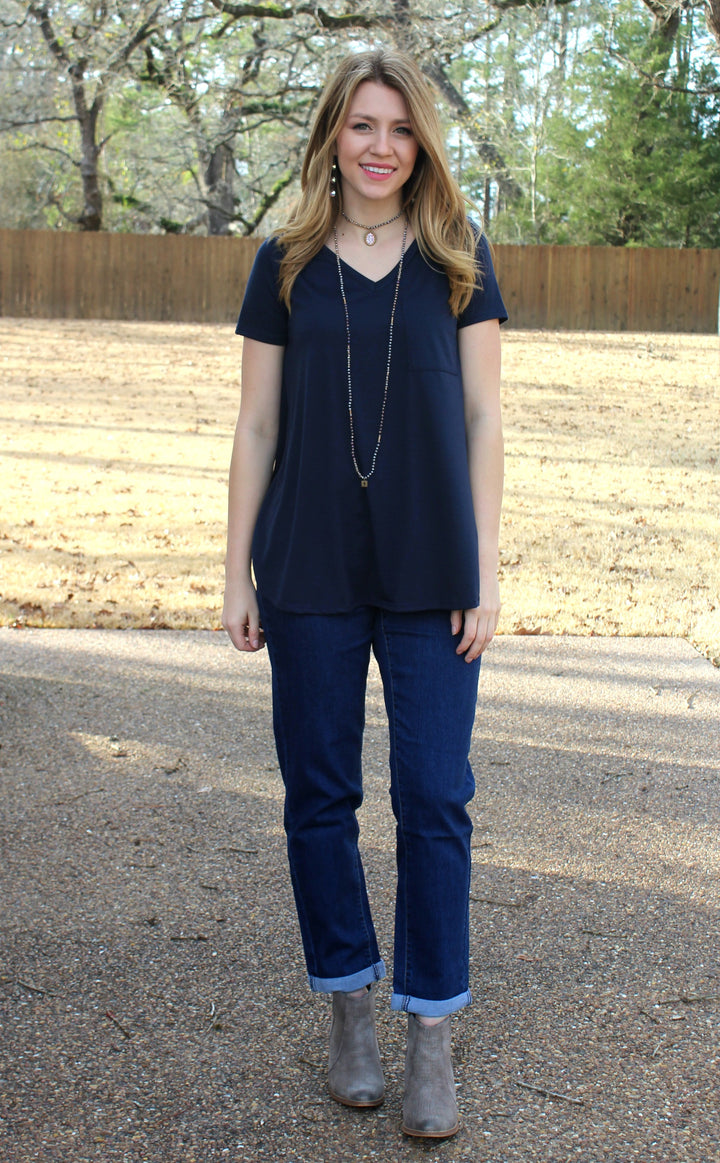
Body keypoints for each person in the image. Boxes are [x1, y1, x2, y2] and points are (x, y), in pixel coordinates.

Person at [222, 47, 507, 1139]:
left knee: (435, 796)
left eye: (397, 127)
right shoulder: (284, 262)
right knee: (319, 795)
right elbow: (254, 425)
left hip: (435, 568)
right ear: (331, 140)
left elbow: (485, 422)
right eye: (360, 126)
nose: (380, 145)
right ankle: (348, 1004)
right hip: (308, 566)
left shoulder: (459, 258)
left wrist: (487, 567)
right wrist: (232, 566)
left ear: (419, 141)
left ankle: (430, 1028)